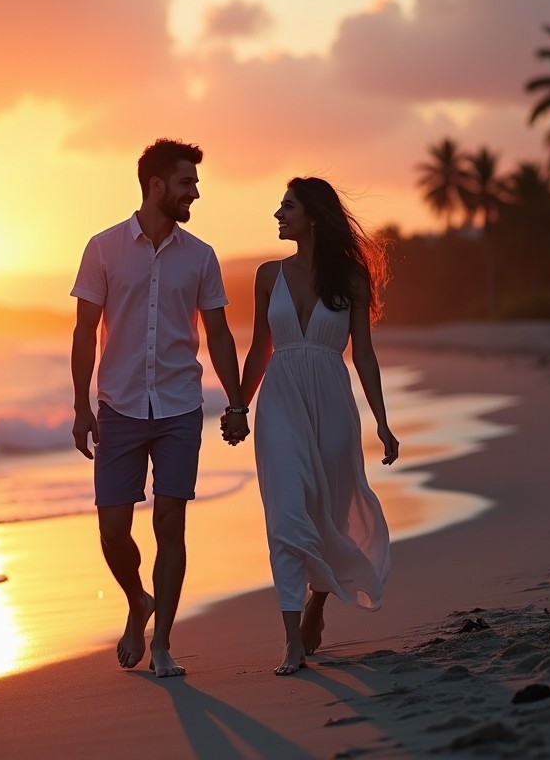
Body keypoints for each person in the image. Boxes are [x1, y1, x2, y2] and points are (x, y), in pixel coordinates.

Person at [71, 138, 250, 678]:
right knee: (112, 530)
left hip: (178, 406)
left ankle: (165, 644)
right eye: (186, 183)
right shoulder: (102, 249)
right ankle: (136, 601)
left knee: (171, 524)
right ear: (156, 186)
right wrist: (82, 406)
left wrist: (238, 402)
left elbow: (218, 333)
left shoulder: (201, 256)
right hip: (120, 406)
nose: (195, 192)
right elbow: (83, 331)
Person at [227, 176, 398, 676]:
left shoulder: (351, 279)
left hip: (332, 400)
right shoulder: (266, 274)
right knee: (286, 511)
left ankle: (317, 603)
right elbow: (260, 347)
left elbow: (363, 355)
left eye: (287, 207)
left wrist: (383, 423)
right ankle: (290, 642)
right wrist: (239, 406)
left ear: (313, 217)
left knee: (331, 508)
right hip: (280, 398)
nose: (278, 215)